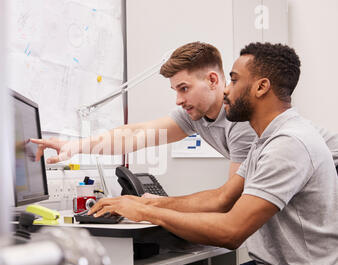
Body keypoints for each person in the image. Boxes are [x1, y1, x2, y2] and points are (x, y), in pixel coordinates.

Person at [88, 43, 338, 265]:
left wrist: (145, 212)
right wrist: (151, 205)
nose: (226, 90)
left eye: (234, 79)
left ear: (261, 87)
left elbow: (231, 232)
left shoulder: (288, 143)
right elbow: (221, 198)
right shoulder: (265, 140)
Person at [30, 42, 338, 182]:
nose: (178, 100)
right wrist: (74, 146)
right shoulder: (195, 115)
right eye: (175, 91)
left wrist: (152, 209)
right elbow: (135, 135)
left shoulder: (241, 120)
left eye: (183, 88)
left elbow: (230, 199)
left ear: (213, 80)